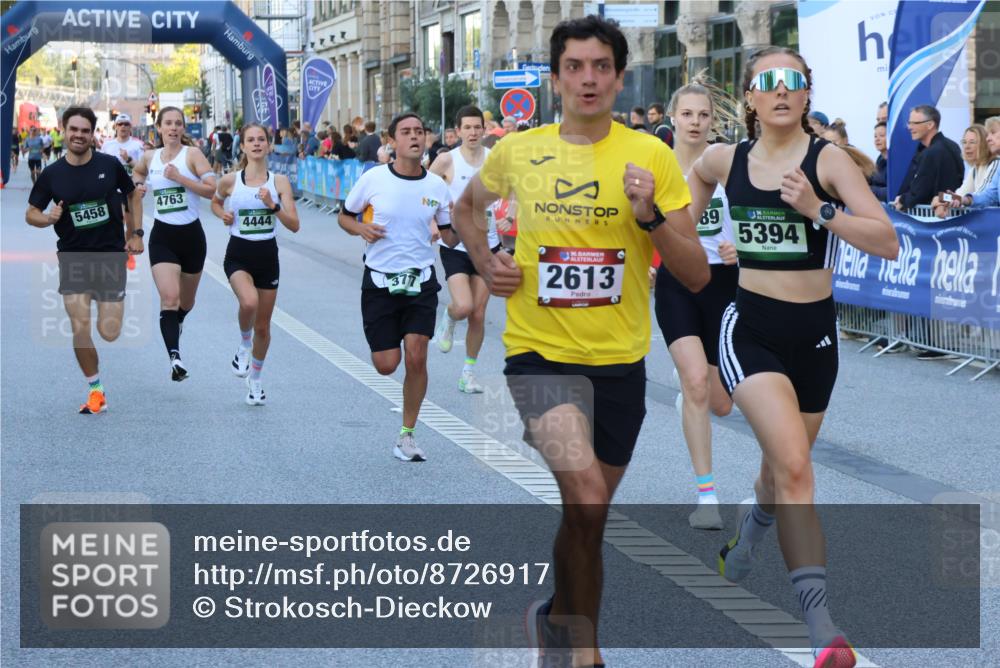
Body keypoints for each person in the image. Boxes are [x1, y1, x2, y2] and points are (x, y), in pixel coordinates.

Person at [452, 16, 709, 668]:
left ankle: (553, 621)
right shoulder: (520, 151)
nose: (588, 78)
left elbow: (696, 273)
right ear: (557, 76)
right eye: (575, 66)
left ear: (619, 77)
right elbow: (464, 209)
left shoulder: (651, 157)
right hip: (538, 355)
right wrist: (486, 261)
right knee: (588, 496)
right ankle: (586, 653)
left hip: (620, 364)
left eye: (601, 67)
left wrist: (650, 215)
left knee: (585, 517)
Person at [688, 47, 898, 668]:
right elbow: (691, 187)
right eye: (767, 82)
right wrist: (678, 235)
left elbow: (885, 239)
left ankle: (746, 542)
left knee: (780, 475)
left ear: (807, 94)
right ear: (750, 96)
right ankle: (823, 629)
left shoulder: (827, 160)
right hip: (749, 328)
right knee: (798, 468)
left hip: (816, 337)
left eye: (793, 82)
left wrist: (818, 210)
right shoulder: (724, 159)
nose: (781, 91)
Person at [337, 112, 451, 462]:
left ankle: (407, 434)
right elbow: (344, 216)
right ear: (393, 141)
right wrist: (362, 230)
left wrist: (458, 226)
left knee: (417, 355)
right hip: (380, 281)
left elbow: (450, 233)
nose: (415, 137)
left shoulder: (436, 186)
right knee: (387, 364)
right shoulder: (374, 179)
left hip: (421, 281)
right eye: (406, 132)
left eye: (420, 131)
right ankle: (392, 372)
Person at [654, 82, 739, 531]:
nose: (695, 122)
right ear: (674, 118)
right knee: (696, 385)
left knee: (723, 404)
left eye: (703, 115)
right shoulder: (658, 165)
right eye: (686, 114)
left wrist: (739, 248)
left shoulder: (726, 163)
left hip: (724, 284)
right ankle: (707, 495)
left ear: (712, 120)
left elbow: (751, 217)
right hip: (676, 282)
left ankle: (695, 381)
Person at [25, 106, 144, 414]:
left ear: (93, 134)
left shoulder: (110, 164)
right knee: (80, 326)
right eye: (73, 130)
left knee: (109, 331)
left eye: (85, 131)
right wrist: (48, 218)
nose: (79, 135)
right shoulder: (52, 174)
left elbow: (132, 195)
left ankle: (106, 310)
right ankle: (95, 389)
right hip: (73, 257)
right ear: (64, 131)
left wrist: (136, 233)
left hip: (110, 256)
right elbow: (30, 213)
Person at [211, 124, 300, 405]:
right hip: (238, 254)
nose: (257, 143)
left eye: (262, 139)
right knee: (248, 303)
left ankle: (256, 381)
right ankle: (243, 345)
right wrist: (221, 215)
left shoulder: (280, 182)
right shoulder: (230, 180)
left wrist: (273, 205)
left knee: (264, 326)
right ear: (243, 146)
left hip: (267, 258)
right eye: (251, 139)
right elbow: (215, 202)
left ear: (269, 145)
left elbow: (294, 224)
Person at [132, 106, 217, 381]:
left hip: (191, 237)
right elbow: (136, 175)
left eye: (178, 123)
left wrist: (180, 178)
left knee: (186, 301)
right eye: (168, 123)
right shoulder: (149, 156)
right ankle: (175, 358)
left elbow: (211, 188)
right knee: (169, 298)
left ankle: (178, 321)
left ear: (183, 128)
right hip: (163, 238)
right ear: (158, 127)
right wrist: (138, 186)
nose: (173, 128)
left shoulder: (192, 155)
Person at [429, 105, 498, 394]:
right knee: (464, 306)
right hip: (456, 245)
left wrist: (511, 212)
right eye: (467, 127)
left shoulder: (495, 159)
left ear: (484, 130)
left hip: (488, 246)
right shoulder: (446, 160)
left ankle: (468, 372)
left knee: (479, 314)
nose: (472, 132)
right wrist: (433, 221)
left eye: (477, 127)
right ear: (458, 131)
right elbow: (424, 190)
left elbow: (515, 188)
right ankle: (449, 316)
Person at [893, 104, 963, 210]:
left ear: (930, 125)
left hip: (937, 218)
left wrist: (902, 200)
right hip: (952, 214)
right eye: (909, 123)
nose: (909, 127)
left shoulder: (931, 153)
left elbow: (920, 191)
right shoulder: (952, 145)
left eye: (915, 123)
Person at [931, 124, 998, 217]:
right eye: (964, 142)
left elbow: (982, 196)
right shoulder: (975, 169)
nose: (967, 146)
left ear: (984, 144)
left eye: (972, 142)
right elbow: (960, 194)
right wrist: (941, 199)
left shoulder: (995, 163)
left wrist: (950, 199)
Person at [869, 122, 888, 201]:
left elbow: (892, 192)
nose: (877, 139)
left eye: (882, 136)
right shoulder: (880, 159)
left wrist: (870, 190)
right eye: (875, 136)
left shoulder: (897, 162)